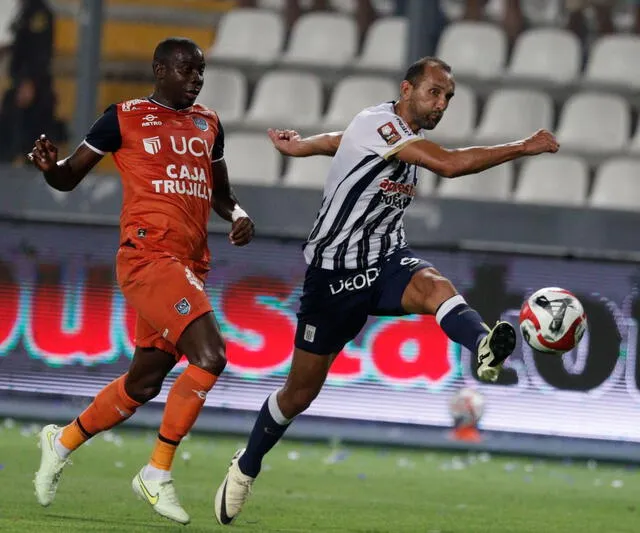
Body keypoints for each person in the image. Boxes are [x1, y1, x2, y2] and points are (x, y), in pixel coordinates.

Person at [213, 56, 559, 525]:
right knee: (298, 395)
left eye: (448, 98)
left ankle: (482, 344)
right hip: (333, 276)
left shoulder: (394, 135)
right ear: (407, 88)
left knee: (434, 285)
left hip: (386, 261)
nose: (441, 104)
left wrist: (303, 148)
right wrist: (523, 146)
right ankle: (247, 465)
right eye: (434, 92)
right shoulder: (381, 124)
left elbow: (339, 141)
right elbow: (451, 166)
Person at [29, 37, 255, 525]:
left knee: (145, 381)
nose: (197, 78)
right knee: (211, 356)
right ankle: (156, 473)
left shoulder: (209, 124)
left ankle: (61, 440)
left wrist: (237, 213)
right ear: (159, 69)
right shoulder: (123, 116)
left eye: (202, 71)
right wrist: (51, 170)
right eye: (188, 69)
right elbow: (70, 177)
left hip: (190, 264)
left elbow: (221, 193)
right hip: (148, 256)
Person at [0, 0, 63, 164]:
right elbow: (18, 43)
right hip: (21, 83)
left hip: (33, 87)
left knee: (28, 135)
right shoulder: (23, 10)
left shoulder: (37, 12)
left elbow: (39, 50)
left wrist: (28, 81)